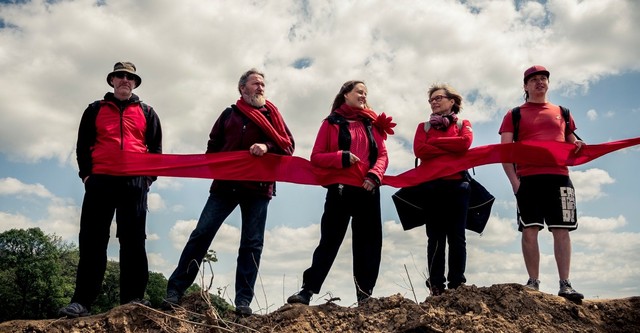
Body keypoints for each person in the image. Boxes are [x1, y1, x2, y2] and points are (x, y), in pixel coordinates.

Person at [163, 69, 295, 316]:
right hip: (225, 186)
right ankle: (174, 291)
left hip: (258, 189)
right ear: (242, 88)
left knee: (252, 244)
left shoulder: (273, 116)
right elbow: (212, 147)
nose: (261, 88)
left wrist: (266, 146)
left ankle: (243, 302)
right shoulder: (228, 115)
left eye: (263, 84)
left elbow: (288, 145)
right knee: (201, 234)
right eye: (256, 84)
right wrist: (223, 165)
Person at [60, 62, 163, 318]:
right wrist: (86, 176)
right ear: (112, 81)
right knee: (92, 241)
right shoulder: (94, 109)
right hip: (100, 182)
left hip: (134, 184)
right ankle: (82, 302)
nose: (125, 80)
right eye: (120, 76)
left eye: (130, 77)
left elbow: (156, 151)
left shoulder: (148, 112)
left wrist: (147, 179)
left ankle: (133, 301)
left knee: (134, 242)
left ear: (135, 83)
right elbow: (83, 146)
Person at [287, 80, 390, 306]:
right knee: (329, 241)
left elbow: (382, 155)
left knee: (369, 243)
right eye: (359, 92)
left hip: (369, 190)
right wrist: (341, 157)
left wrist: (375, 175)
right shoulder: (331, 122)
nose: (363, 96)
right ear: (345, 95)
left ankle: (365, 296)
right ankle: (307, 291)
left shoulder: (373, 124)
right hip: (340, 191)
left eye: (366, 92)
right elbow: (316, 156)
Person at [499, 65, 585, 301]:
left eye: (544, 78)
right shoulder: (514, 114)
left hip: (560, 178)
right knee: (530, 229)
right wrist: (515, 183)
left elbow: (572, 141)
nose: (540, 82)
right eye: (534, 79)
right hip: (528, 179)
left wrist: (578, 143)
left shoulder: (563, 112)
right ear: (525, 86)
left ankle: (565, 283)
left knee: (562, 230)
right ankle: (533, 282)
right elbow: (504, 152)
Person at [413, 84, 473, 296]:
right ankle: (436, 285)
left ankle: (457, 284)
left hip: (458, 186)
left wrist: (436, 145)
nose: (434, 102)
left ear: (452, 102)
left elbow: (464, 144)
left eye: (439, 98)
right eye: (431, 100)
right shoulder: (424, 127)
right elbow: (420, 150)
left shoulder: (464, 124)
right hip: (432, 187)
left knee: (457, 237)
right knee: (435, 238)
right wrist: (450, 145)